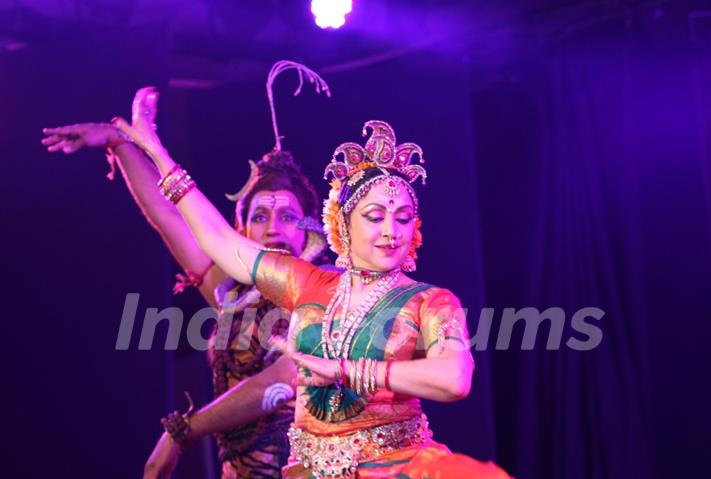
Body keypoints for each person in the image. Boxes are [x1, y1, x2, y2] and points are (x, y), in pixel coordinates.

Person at [85, 86, 510, 478]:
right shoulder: (303, 284)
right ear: (343, 225)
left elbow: (455, 379)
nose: (390, 232)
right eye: (375, 217)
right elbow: (212, 236)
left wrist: (345, 369)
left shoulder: (430, 301)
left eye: (402, 219)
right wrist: (155, 151)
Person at [41, 63, 332, 479]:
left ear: (309, 232)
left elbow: (283, 377)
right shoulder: (230, 293)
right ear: (240, 232)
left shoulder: (326, 293)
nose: (272, 228)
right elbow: (170, 219)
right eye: (260, 216)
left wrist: (182, 431)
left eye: (287, 216)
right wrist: (120, 144)